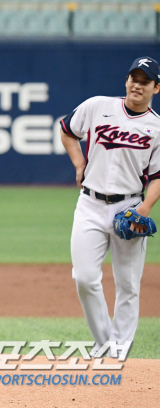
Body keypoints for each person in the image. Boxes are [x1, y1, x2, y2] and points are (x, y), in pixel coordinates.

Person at [60, 57, 160, 359]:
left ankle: (118, 350)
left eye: (145, 81)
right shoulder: (97, 106)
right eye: (133, 78)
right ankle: (106, 343)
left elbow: (157, 177)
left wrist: (145, 208)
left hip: (129, 207)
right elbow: (67, 129)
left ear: (156, 87)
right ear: (126, 80)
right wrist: (79, 163)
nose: (137, 85)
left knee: (128, 284)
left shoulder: (156, 128)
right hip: (89, 204)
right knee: (85, 277)